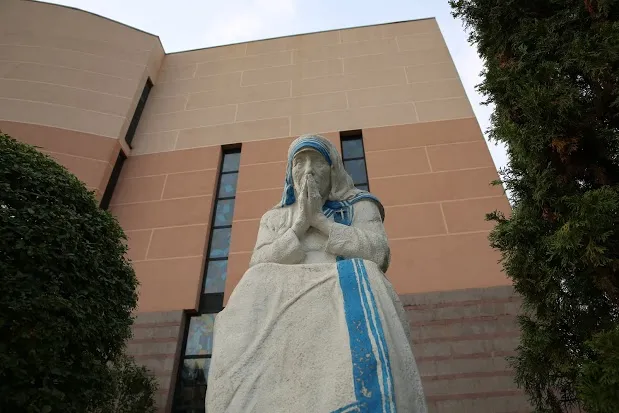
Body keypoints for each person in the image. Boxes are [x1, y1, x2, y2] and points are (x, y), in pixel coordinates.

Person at [205, 135, 427, 413]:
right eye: (300, 163)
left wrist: (321, 223)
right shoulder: (274, 218)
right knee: (252, 286)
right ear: (290, 172)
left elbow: (378, 254)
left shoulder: (360, 206)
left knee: (366, 275)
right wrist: (299, 226)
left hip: (341, 280)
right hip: (283, 288)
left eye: (317, 162)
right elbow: (259, 263)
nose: (308, 170)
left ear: (332, 170)